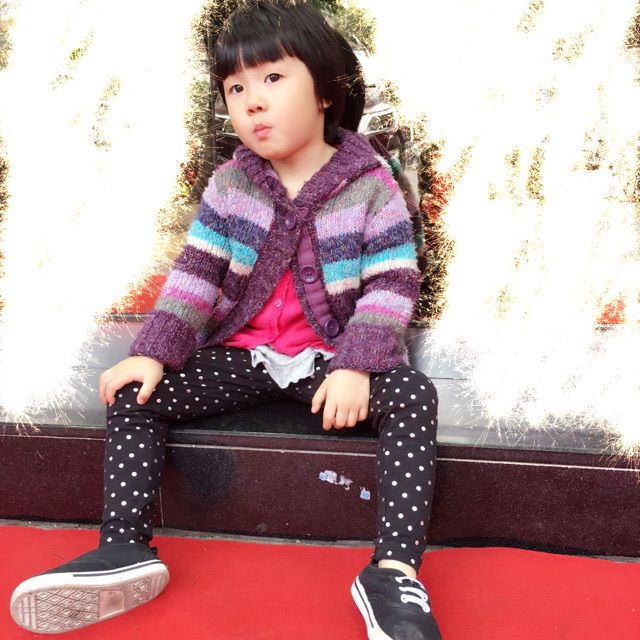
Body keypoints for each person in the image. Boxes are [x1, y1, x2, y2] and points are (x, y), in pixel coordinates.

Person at [9, 2, 441, 638]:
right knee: (134, 392)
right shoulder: (232, 184)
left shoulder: (369, 183)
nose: (252, 101)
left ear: (326, 91)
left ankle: (394, 572)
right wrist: (153, 351)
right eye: (235, 88)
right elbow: (197, 274)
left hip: (331, 363)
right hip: (244, 357)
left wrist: (356, 365)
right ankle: (124, 548)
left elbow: (391, 283)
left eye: (272, 79)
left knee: (413, 395)